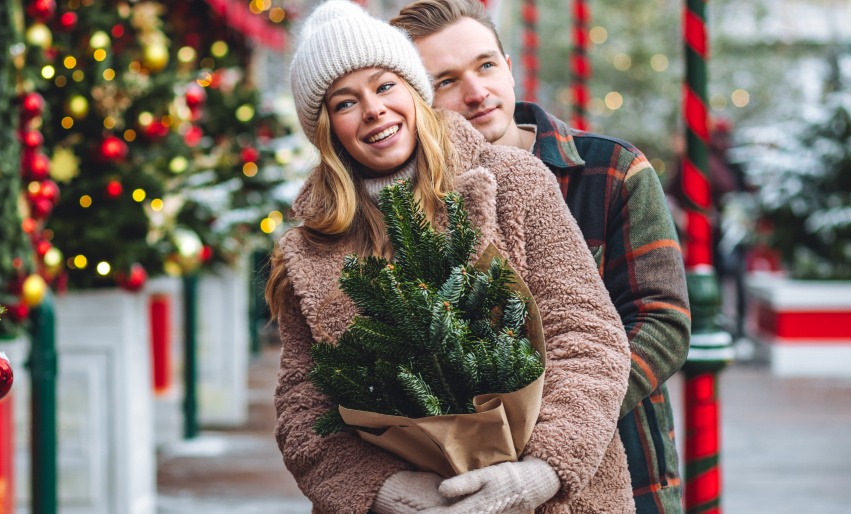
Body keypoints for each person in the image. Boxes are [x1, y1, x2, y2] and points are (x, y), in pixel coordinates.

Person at [268, 2, 635, 513]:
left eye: (385, 85)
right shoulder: (310, 247)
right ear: (326, 128)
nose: (374, 109)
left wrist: (544, 469)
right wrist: (383, 491)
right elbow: (303, 405)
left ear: (415, 92)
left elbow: (586, 335)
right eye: (344, 102)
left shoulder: (513, 182)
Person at [390, 2, 692, 512]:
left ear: (509, 65)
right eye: (445, 81)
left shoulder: (611, 172)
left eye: (485, 65)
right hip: (463, 483)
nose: (477, 91)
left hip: (623, 468)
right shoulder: (407, 208)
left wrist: (551, 427)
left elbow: (663, 322)